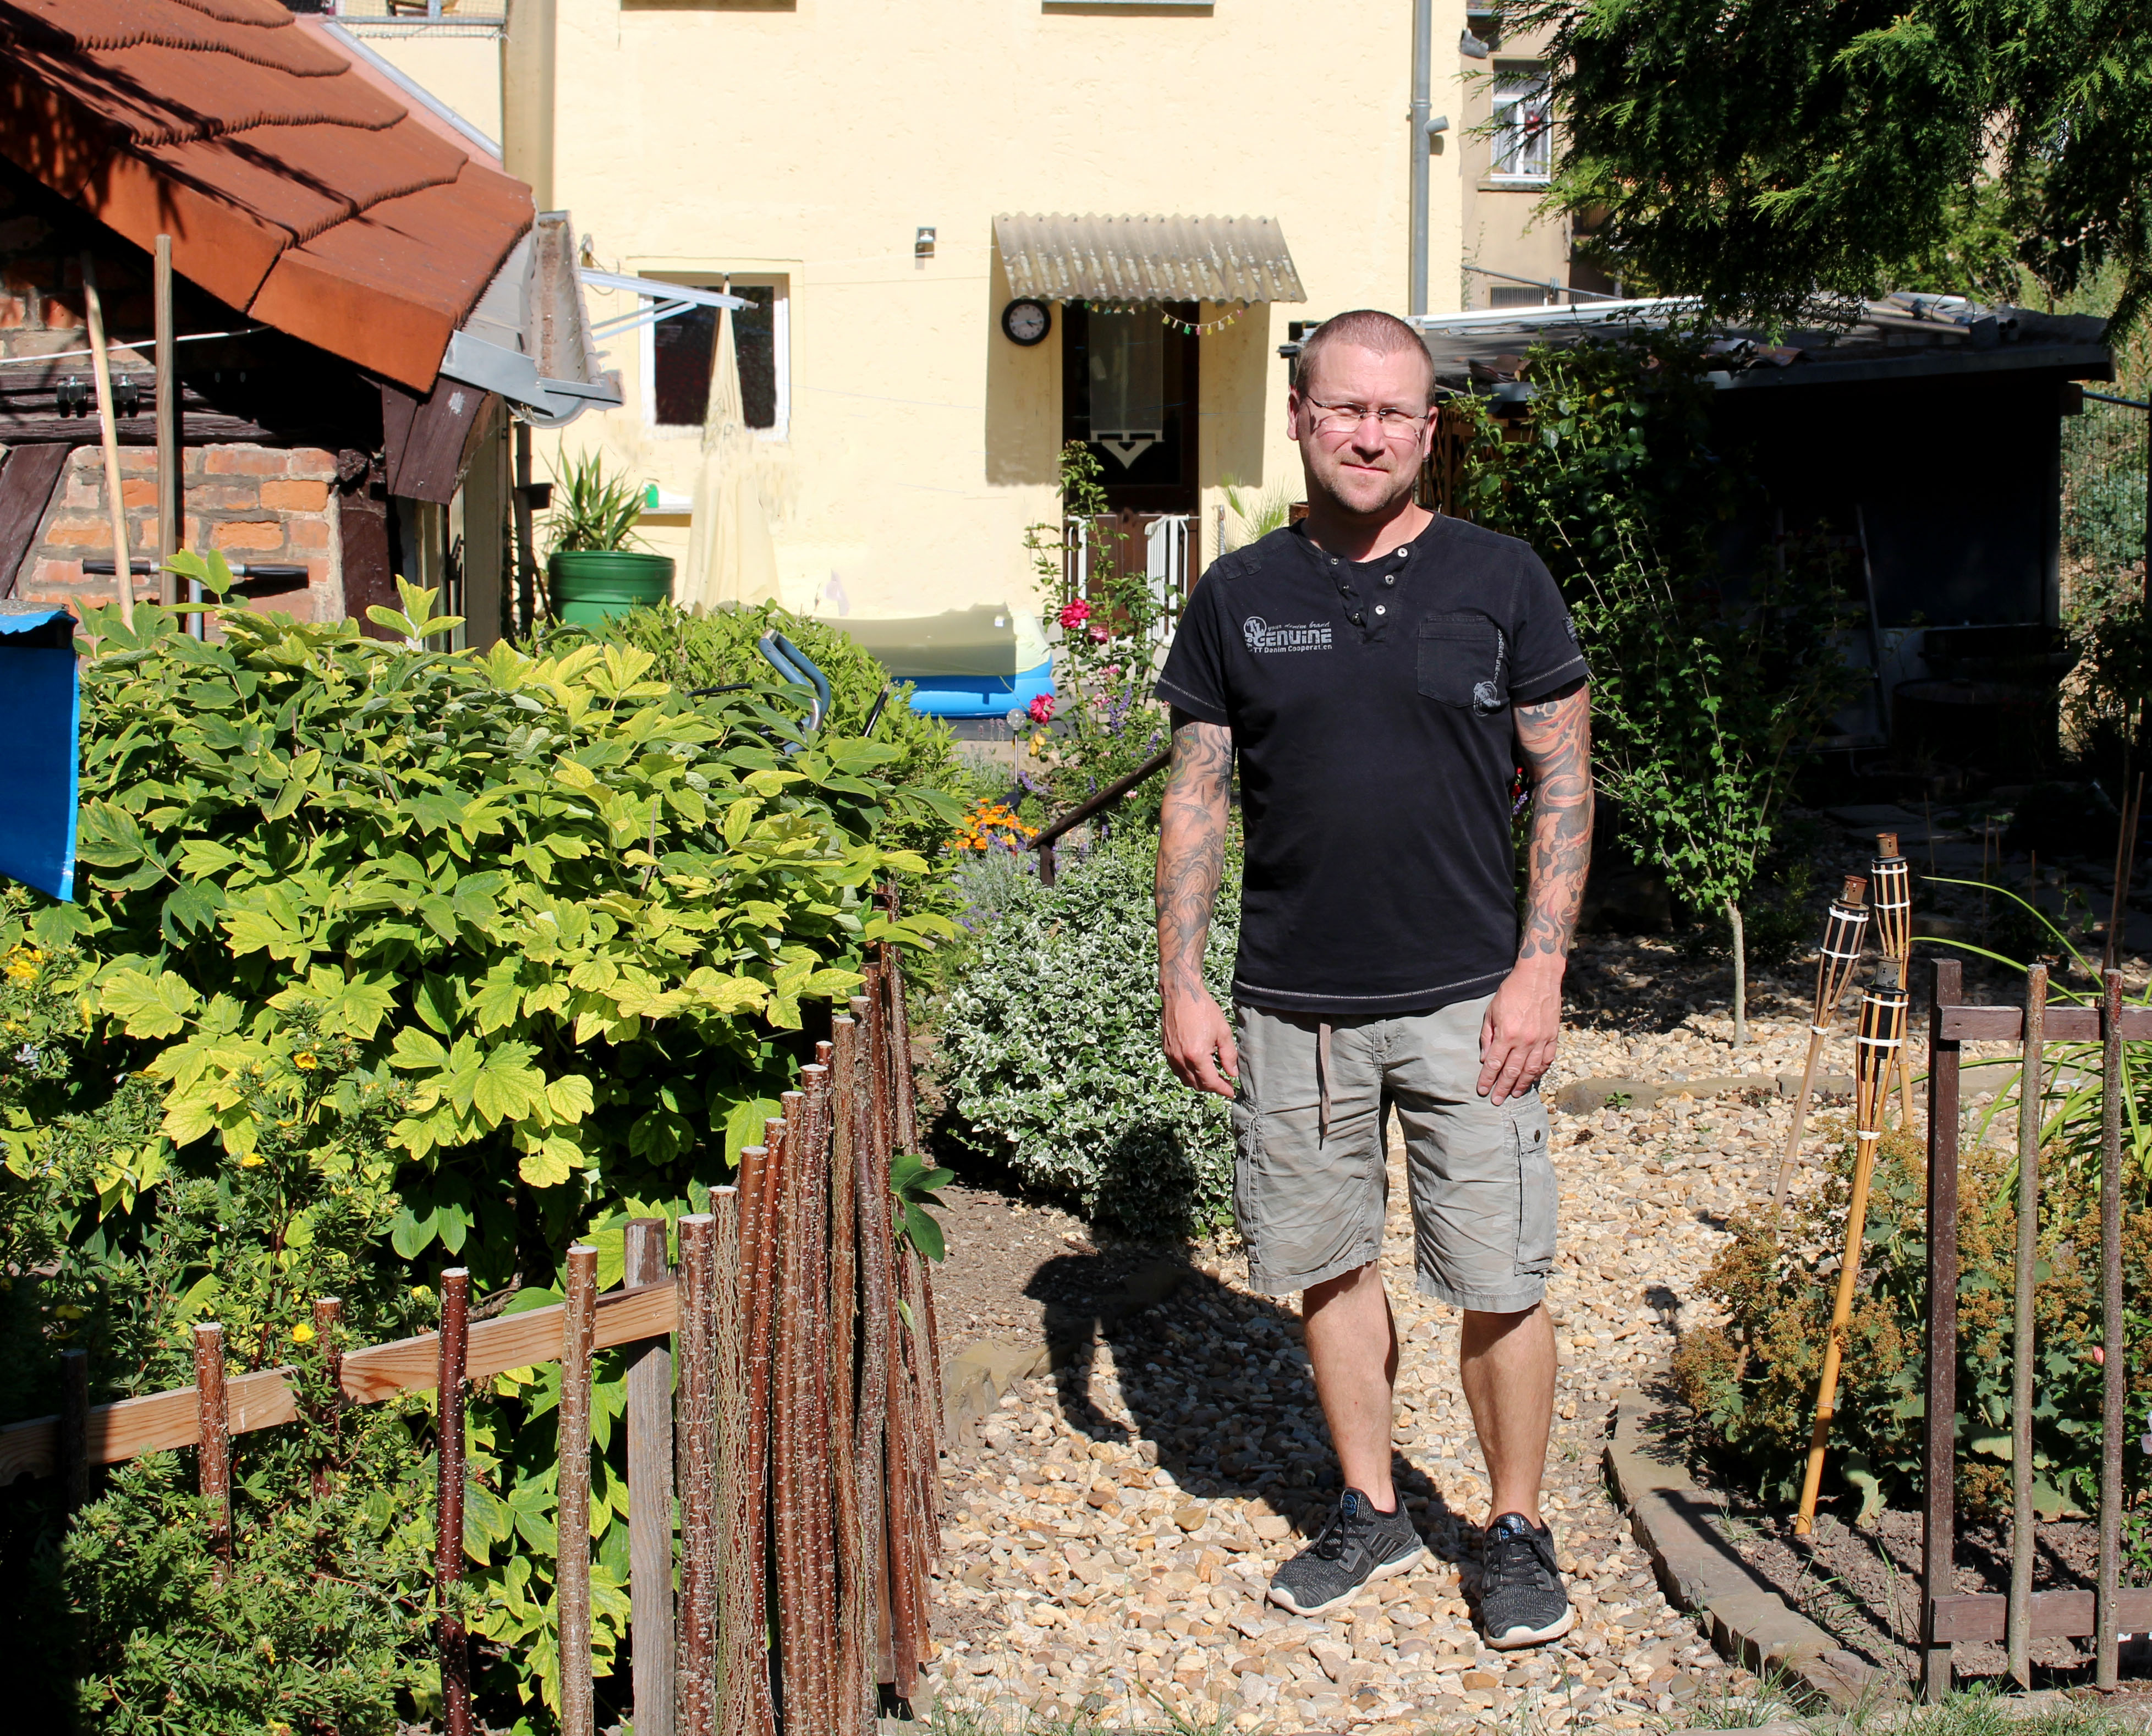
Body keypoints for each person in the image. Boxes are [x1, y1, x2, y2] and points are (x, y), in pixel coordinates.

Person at [1151, 309, 1592, 1649]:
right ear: (1299, 416)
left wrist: (1541, 972)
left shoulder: (1502, 578)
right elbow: (1197, 794)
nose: (1369, 433)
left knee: (1500, 1274)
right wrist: (1183, 977)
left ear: (1428, 431)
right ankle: (1371, 1503)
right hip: (1297, 1004)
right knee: (1330, 1264)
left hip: (1473, 998)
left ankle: (1512, 1527)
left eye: (1395, 413)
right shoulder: (1239, 593)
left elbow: (1564, 780)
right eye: (1345, 409)